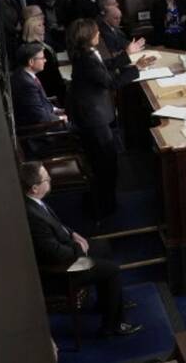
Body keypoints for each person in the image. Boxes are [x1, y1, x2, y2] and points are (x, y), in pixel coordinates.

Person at [20, 161, 142, 337]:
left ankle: (107, 302)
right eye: (46, 178)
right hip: (64, 269)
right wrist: (79, 248)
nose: (50, 179)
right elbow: (56, 254)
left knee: (103, 246)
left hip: (68, 248)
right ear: (34, 188)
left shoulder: (34, 202)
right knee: (112, 270)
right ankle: (113, 325)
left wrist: (72, 233)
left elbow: (56, 225)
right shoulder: (33, 217)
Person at [66, 17, 151, 219]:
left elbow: (106, 65)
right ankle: (106, 208)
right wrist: (137, 69)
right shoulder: (86, 60)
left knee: (107, 161)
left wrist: (128, 57)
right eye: (96, 32)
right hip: (93, 119)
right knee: (106, 163)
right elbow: (111, 82)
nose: (99, 34)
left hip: (92, 115)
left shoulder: (86, 54)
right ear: (88, 37)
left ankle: (107, 202)